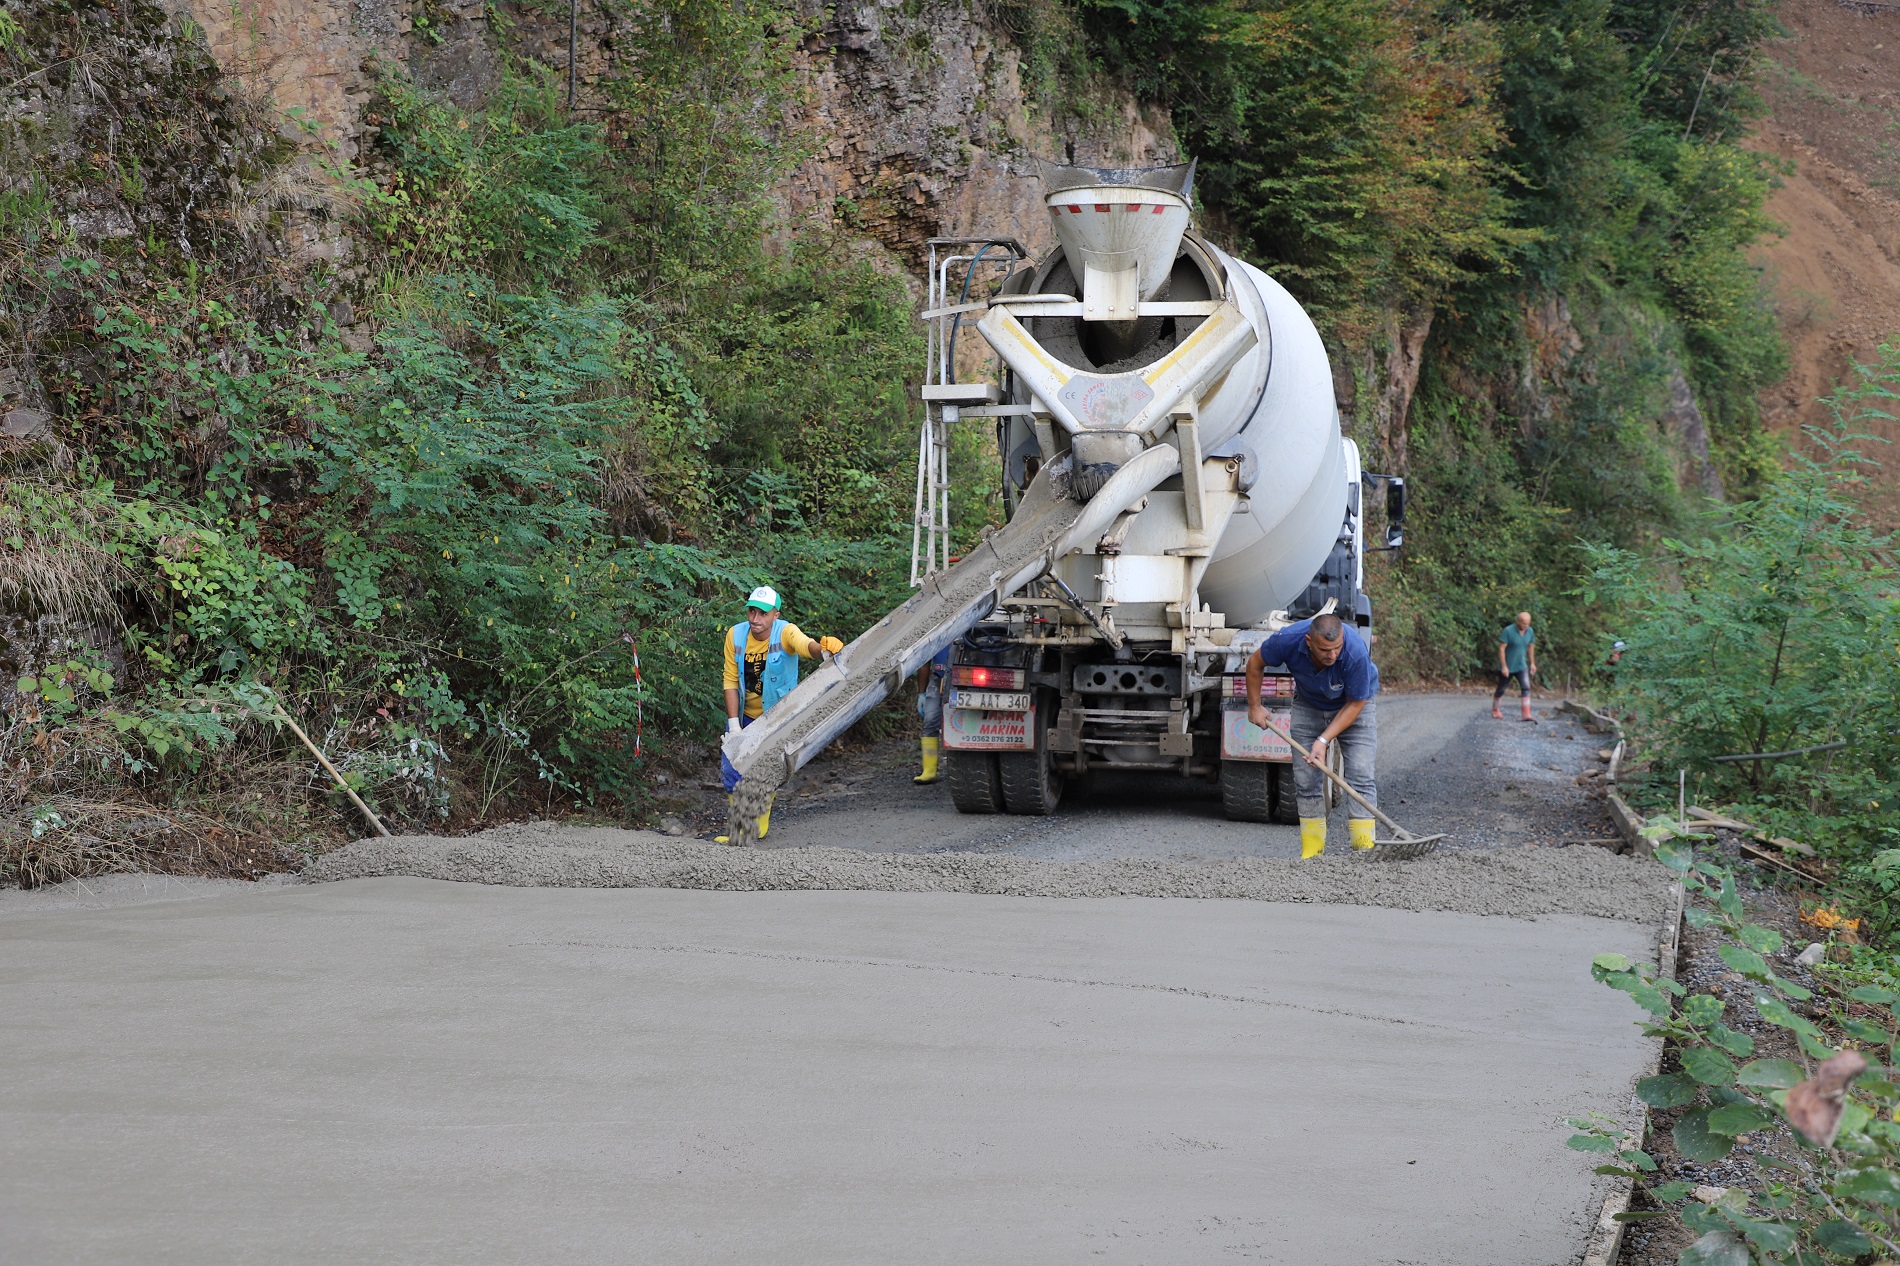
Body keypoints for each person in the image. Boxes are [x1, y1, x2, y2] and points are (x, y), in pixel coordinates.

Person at [1245, 612, 1380, 859]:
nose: (1332, 655)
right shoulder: (1288, 640)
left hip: (1353, 707)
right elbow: (1255, 663)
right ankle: (1312, 854)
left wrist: (1323, 740)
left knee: (1360, 776)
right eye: (1325, 650)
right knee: (1306, 780)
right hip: (1309, 705)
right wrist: (1255, 705)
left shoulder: (1354, 652)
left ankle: (1364, 853)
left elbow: (1355, 704)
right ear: (1309, 641)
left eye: (1336, 648)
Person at [716, 585, 843, 843]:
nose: (755, 619)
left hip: (778, 716)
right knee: (731, 768)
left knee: (767, 770)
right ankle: (741, 826)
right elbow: (730, 679)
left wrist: (825, 649)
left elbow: (805, 646)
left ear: (775, 614)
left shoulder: (786, 631)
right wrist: (734, 726)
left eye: (763, 614)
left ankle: (755, 826)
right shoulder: (735, 635)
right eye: (752, 612)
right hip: (745, 716)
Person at [913, 645, 951, 784]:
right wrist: (921, 693)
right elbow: (924, 662)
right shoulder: (938, 634)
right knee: (930, 720)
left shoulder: (963, 629)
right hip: (938, 680)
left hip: (960, 678)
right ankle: (929, 771)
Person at [1493, 611, 1537, 722]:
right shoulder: (1508, 631)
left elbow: (1530, 647)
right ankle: (1495, 709)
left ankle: (1526, 714)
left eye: (1528, 623)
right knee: (1501, 689)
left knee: (1526, 687)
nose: (1525, 626)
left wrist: (1532, 663)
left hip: (1521, 665)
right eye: (1523, 623)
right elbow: (1501, 649)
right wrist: (1504, 666)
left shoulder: (1530, 631)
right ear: (1517, 621)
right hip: (1508, 665)